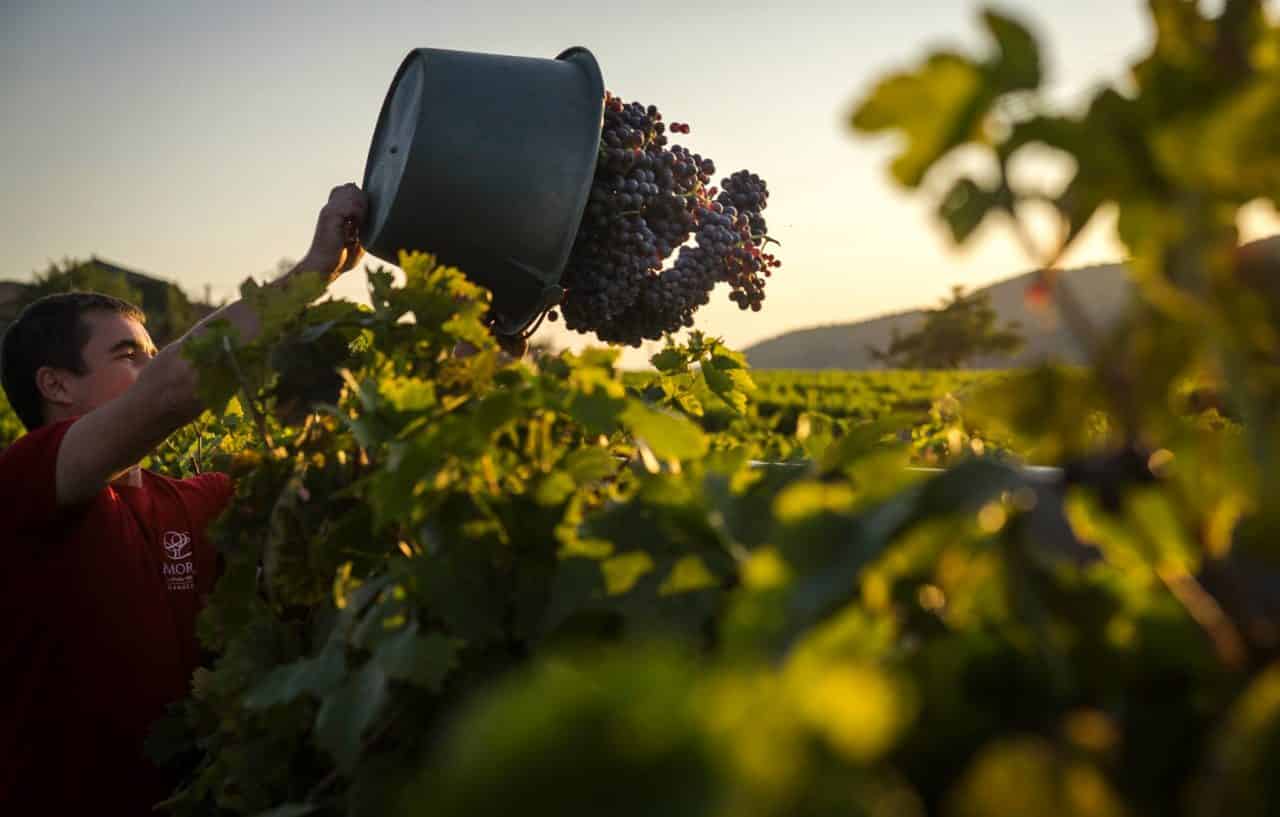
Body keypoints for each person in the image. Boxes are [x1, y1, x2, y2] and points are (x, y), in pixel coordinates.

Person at [0, 183, 368, 815]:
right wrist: (313, 273)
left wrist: (477, 353)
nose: (155, 366)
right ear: (56, 384)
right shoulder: (22, 483)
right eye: (129, 356)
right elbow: (172, 388)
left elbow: (356, 471)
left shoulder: (196, 503)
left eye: (154, 354)